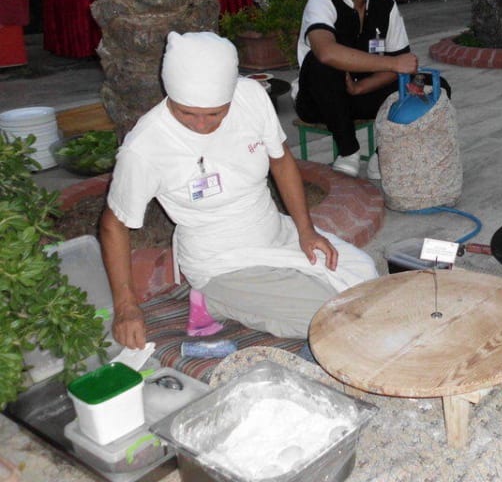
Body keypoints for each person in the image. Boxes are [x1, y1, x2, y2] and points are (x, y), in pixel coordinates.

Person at [100, 31, 378, 348]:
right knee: (329, 317)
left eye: (215, 114)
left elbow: (281, 160)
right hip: (220, 263)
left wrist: (306, 230)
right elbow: (114, 224)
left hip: (276, 234)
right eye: (186, 113)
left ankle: (249, 295)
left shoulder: (250, 96)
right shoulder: (146, 145)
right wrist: (125, 306)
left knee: (365, 278)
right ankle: (210, 298)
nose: (200, 125)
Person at [295, 0, 450, 179]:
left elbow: (401, 67)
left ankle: (384, 153)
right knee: (319, 62)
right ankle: (348, 150)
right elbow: (325, 52)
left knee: (434, 86)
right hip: (321, 100)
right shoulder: (322, 0)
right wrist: (391, 63)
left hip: (363, 95)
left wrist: (362, 87)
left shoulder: (385, 5)